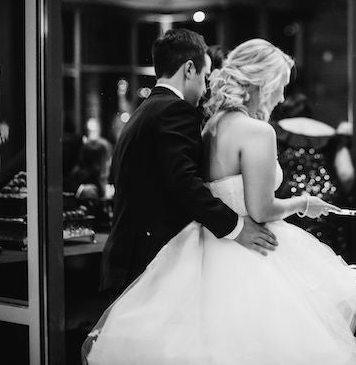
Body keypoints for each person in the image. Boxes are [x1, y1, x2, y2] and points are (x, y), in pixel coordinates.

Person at [84, 39, 356, 365]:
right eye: (281, 86)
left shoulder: (210, 127)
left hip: (203, 249)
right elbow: (259, 208)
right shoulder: (258, 132)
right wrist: (302, 203)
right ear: (263, 82)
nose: (283, 96)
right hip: (247, 253)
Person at [97, 29, 277, 300]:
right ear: (189, 69)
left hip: (127, 254)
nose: (206, 89)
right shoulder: (174, 110)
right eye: (205, 78)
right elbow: (184, 183)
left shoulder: (144, 111)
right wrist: (236, 228)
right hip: (149, 258)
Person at [271, 92, 355, 255]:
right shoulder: (331, 133)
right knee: (328, 256)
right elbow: (347, 173)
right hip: (326, 202)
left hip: (289, 202)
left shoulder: (273, 130)